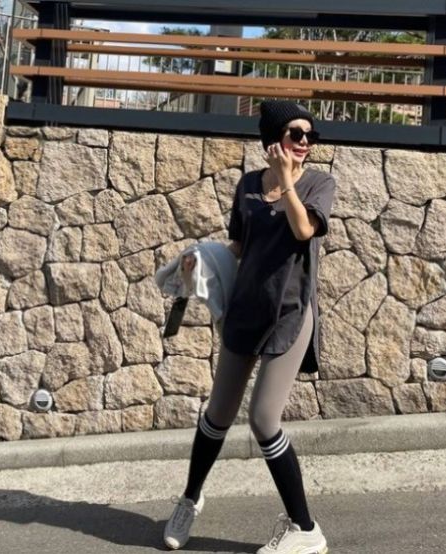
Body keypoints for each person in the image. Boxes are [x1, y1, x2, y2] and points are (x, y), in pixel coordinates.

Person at [163, 99, 336, 554]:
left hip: (290, 314)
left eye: (310, 135)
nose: (304, 141)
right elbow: (239, 247)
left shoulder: (319, 183)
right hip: (246, 310)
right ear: (273, 138)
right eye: (295, 133)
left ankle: (305, 529)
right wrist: (199, 259)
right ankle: (189, 499)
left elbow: (303, 230)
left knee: (263, 419)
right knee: (217, 415)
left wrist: (286, 181)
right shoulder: (247, 186)